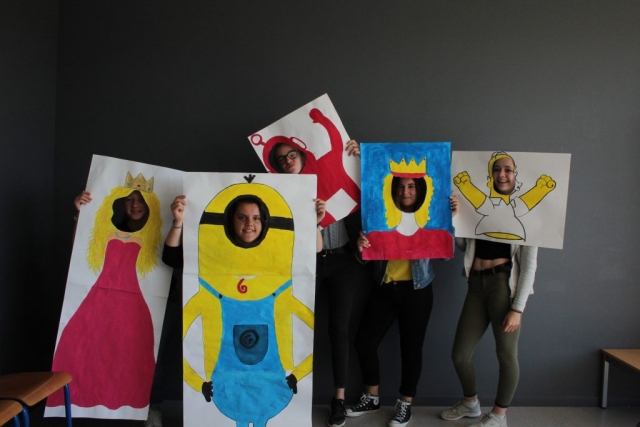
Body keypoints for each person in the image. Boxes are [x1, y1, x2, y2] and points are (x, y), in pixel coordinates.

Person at [346, 177, 458, 427]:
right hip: (384, 287)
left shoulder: (429, 217)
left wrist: (449, 221)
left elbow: (446, 256)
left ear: (419, 190)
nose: (405, 191)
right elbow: (363, 258)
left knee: (411, 349)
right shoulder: (380, 215)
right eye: (400, 186)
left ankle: (405, 403)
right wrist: (361, 247)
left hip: (417, 290)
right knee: (364, 342)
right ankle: (372, 397)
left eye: (411, 186)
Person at [440, 155, 539, 427]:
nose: (502, 174)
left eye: (508, 170)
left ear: (516, 175)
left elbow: (529, 266)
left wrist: (517, 308)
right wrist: (456, 219)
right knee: (460, 355)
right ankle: (470, 403)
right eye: (497, 169)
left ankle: (498, 416)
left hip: (503, 287)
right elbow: (464, 246)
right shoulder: (480, 204)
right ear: (491, 174)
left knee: (506, 355)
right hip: (475, 284)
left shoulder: (527, 213)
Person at [50, 181, 162, 411]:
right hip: (103, 293)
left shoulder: (157, 233)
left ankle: (142, 407)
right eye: (130, 199)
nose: (135, 204)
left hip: (135, 298)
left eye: (140, 199)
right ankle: (87, 396)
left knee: (130, 350)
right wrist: (81, 215)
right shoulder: (109, 230)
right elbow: (80, 250)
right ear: (122, 202)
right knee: (89, 343)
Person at [273, 139, 362, 427]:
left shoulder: (333, 174)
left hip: (343, 260)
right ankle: (290, 397)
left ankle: (339, 399)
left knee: (339, 330)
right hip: (306, 262)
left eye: (292, 154)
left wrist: (360, 158)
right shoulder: (281, 193)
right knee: (296, 327)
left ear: (303, 155)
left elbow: (370, 187)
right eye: (281, 159)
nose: (288, 160)